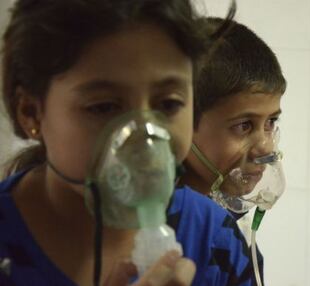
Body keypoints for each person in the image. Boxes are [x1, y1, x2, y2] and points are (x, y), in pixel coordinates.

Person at [0, 1, 258, 285]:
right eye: (104, 107)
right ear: (31, 112)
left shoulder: (214, 239)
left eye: (169, 103)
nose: (143, 137)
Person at [179, 18, 287, 283]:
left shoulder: (227, 235)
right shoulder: (203, 232)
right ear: (180, 121)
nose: (265, 147)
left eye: (271, 122)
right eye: (243, 125)